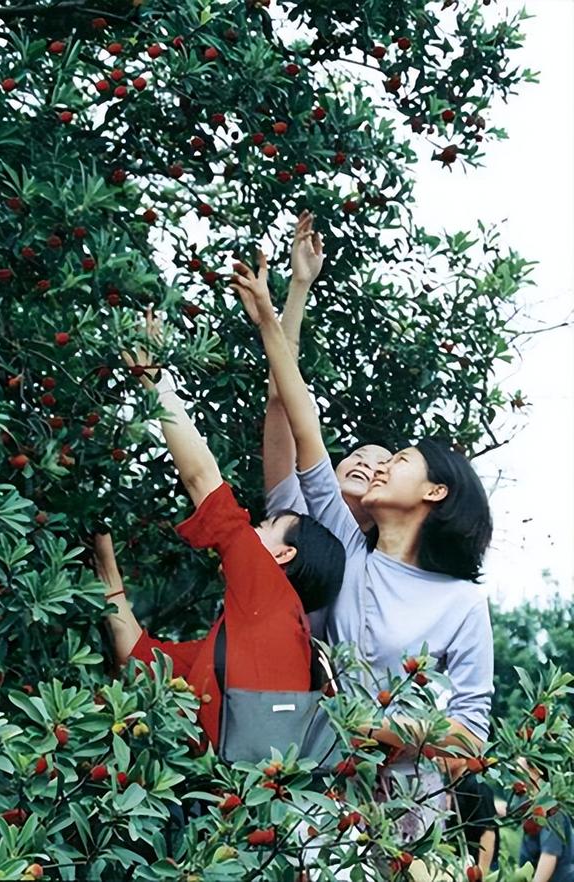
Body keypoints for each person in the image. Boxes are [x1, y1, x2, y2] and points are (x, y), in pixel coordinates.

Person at [231, 249, 495, 835]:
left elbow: (473, 732)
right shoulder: (347, 547)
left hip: (407, 808)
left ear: (435, 493)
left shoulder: (462, 603)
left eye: (398, 461)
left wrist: (373, 728)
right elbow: (298, 415)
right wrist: (272, 322)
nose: (378, 469)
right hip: (322, 787)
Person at [93, 314, 346, 754]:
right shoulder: (248, 633)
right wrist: (106, 567)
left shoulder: (268, 592)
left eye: (266, 527)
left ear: (283, 556)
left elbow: (202, 480)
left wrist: (158, 384)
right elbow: (139, 658)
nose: (252, 530)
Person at [263, 211, 392, 531]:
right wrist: (300, 284)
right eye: (360, 454)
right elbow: (281, 400)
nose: (366, 463)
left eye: (382, 465)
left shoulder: (379, 564)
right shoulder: (294, 513)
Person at [518, 760, 574, 882]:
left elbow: (549, 856)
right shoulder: (534, 804)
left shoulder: (552, 811)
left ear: (536, 771)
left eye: (519, 769)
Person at [444, 760, 500, 875]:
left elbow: (488, 833)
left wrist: (481, 873)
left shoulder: (476, 787)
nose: (439, 757)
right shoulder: (454, 786)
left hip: (476, 865)